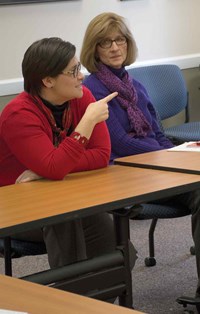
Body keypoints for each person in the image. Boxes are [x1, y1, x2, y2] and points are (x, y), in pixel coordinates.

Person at [80, 12, 200, 307]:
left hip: (155, 165)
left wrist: (173, 155)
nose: (114, 48)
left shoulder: (134, 86)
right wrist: (163, 156)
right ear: (94, 49)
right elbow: (119, 143)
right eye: (105, 42)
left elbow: (158, 133)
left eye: (119, 40)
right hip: (125, 174)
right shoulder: (91, 90)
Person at [0, 36, 125, 271]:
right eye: (73, 71)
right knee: (65, 216)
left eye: (79, 67)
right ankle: (71, 295)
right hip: (12, 206)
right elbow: (54, 167)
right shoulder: (18, 114)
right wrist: (86, 123)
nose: (82, 76)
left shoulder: (81, 97)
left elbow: (100, 156)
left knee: (114, 245)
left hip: (59, 194)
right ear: (48, 80)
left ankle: (92, 298)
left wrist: (46, 169)